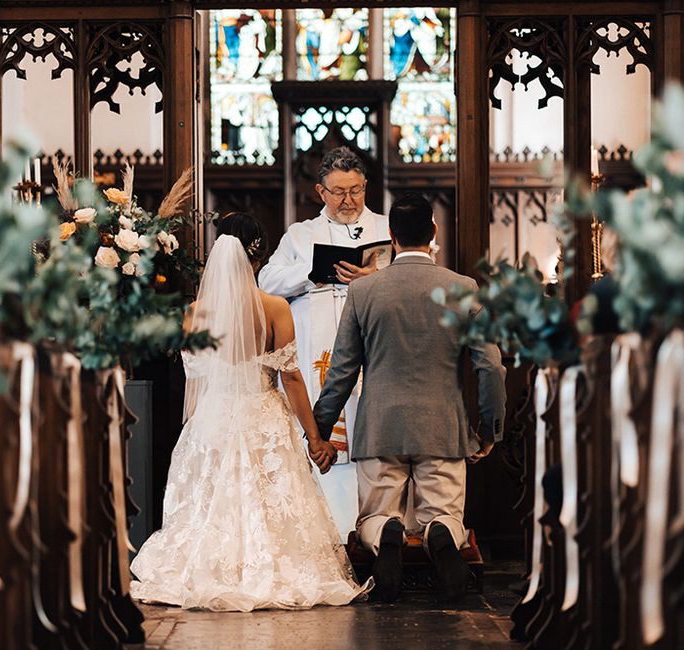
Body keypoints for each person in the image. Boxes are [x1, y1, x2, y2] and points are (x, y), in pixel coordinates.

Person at [130, 212, 372, 612]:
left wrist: (198, 426)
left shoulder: (194, 313)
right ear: (257, 256)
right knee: (270, 501)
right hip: (264, 417)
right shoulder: (275, 308)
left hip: (212, 418)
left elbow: (197, 380)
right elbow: (292, 379)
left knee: (212, 503)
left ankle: (212, 570)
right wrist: (315, 438)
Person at [313, 193, 507, 603]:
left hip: (380, 428)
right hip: (443, 428)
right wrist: (488, 429)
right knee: (446, 513)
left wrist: (321, 428)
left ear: (390, 235)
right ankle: (441, 533)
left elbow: (342, 370)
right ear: (433, 232)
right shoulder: (463, 288)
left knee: (374, 514)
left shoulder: (364, 291)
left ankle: (385, 533)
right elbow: (490, 365)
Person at [258, 146, 390, 538]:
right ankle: (327, 534)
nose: (347, 200)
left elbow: (412, 278)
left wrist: (369, 278)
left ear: (365, 186)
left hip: (373, 350)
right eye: (338, 192)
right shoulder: (301, 235)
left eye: (355, 190)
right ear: (320, 192)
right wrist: (312, 273)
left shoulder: (386, 230)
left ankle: (376, 532)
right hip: (320, 354)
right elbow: (267, 281)